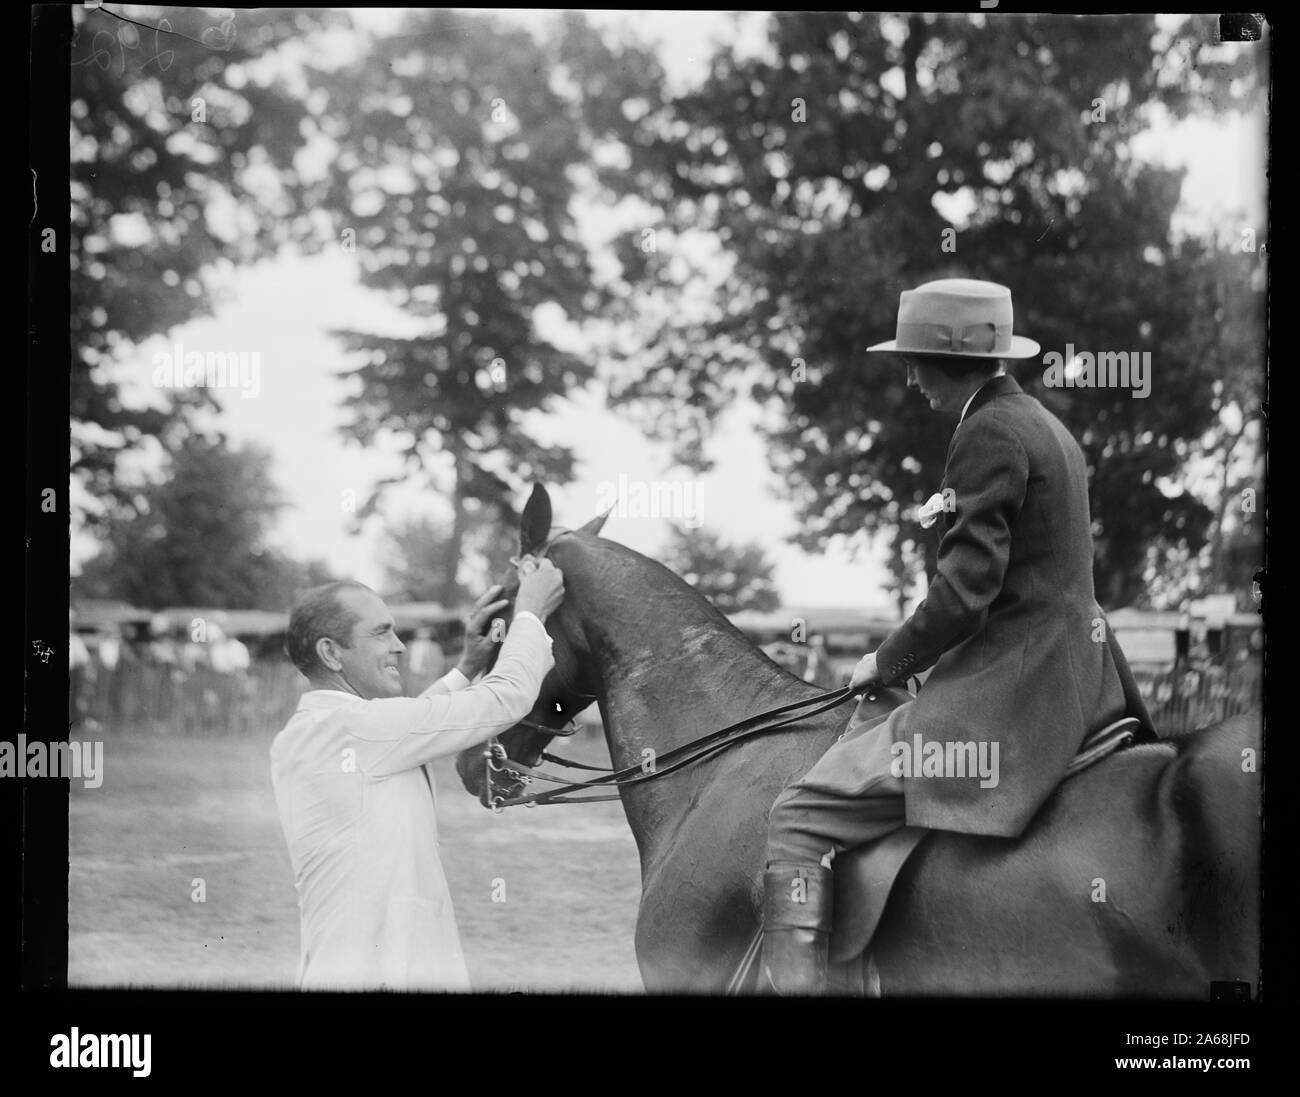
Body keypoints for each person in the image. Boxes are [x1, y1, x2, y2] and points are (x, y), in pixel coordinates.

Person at [759, 278, 1156, 994]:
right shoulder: (1048, 426)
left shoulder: (988, 431)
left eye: (914, 360)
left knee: (796, 815)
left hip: (1015, 691)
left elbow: (967, 592)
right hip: (1083, 675)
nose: (909, 377)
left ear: (952, 360)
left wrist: (885, 658)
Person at [270, 557, 564, 991]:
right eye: (380, 632)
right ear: (331, 653)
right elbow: (507, 697)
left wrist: (465, 669)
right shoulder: (357, 730)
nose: (400, 645)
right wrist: (531, 613)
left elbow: (401, 735)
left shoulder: (323, 730)